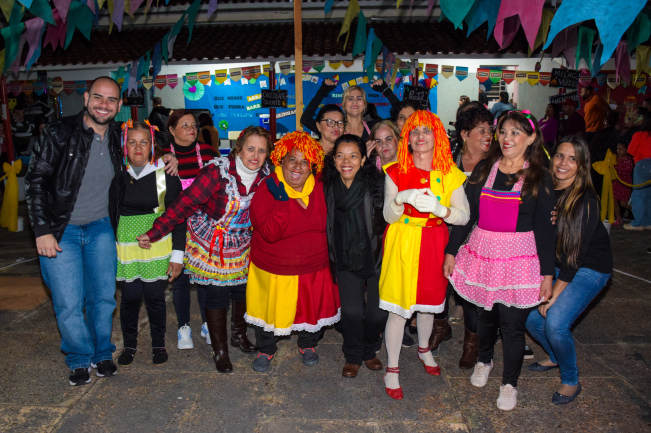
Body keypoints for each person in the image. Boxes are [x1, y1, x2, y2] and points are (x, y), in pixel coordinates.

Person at [24, 77, 176, 386]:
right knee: (68, 302)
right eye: (98, 97)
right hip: (61, 229)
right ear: (86, 99)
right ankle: (79, 358)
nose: (103, 105)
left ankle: (102, 353)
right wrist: (41, 229)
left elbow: (143, 150)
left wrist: (167, 156)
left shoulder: (119, 136)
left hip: (102, 228)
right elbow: (36, 180)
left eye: (111, 100)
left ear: (119, 106)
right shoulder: (58, 132)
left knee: (104, 299)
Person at [138, 126, 274, 373]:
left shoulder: (268, 175)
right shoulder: (217, 172)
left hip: (243, 241)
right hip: (213, 241)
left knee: (243, 292)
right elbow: (184, 204)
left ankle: (239, 335)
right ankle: (219, 350)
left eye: (262, 151)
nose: (256, 155)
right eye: (251, 148)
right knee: (217, 294)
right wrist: (155, 231)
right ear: (239, 148)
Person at [445, 110, 555, 411]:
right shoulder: (485, 169)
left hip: (519, 258)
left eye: (516, 133)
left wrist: (547, 274)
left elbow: (546, 230)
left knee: (511, 324)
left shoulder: (539, 176)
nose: (507, 138)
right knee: (485, 316)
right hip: (484, 253)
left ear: (531, 138)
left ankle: (509, 384)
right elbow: (468, 216)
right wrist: (451, 251)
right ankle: (484, 360)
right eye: (503, 132)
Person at [380, 110, 470, 400]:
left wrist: (441, 210)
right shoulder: (394, 170)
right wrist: (399, 199)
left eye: (426, 130)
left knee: (429, 305)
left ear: (437, 136)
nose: (420, 136)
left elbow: (464, 216)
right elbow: (387, 216)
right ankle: (392, 367)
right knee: (398, 308)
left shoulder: (450, 174)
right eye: (414, 131)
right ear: (407, 137)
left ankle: (424, 349)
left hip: (433, 242)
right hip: (402, 241)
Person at [526, 136, 612, 405]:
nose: (564, 163)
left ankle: (571, 380)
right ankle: (555, 356)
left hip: (588, 267)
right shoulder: (546, 189)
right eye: (560, 156)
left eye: (573, 159)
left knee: (555, 322)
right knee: (530, 317)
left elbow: (575, 257)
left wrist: (553, 293)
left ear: (582, 165)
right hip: (556, 263)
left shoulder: (585, 200)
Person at [246, 131, 340, 373]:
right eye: (292, 160)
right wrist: (281, 202)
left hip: (314, 266)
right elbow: (270, 233)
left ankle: (308, 344)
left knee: (311, 311)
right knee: (269, 312)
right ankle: (266, 348)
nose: (298, 167)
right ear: (282, 161)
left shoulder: (321, 187)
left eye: (305, 161)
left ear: (313, 166)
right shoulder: (268, 189)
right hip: (274, 268)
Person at [429, 102, 493, 370]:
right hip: (445, 231)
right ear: (465, 134)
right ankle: (441, 327)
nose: (488, 135)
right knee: (438, 284)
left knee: (468, 294)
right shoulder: (448, 158)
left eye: (490, 129)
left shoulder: (496, 164)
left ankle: (471, 343)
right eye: (481, 130)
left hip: (479, 237)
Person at [115, 121, 184, 367]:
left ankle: (158, 344)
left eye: (144, 142)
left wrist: (178, 255)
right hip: (126, 247)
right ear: (124, 146)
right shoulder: (117, 174)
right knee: (130, 298)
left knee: (155, 298)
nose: (138, 148)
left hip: (157, 245)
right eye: (132, 142)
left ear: (152, 145)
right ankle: (129, 345)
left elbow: (178, 217)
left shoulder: (166, 175)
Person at [323, 134, 388, 378]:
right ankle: (353, 355)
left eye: (353, 156)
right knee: (351, 312)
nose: (346, 161)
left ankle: (369, 350)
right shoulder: (328, 187)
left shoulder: (378, 184)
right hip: (345, 258)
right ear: (334, 160)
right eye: (340, 155)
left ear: (363, 159)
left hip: (376, 258)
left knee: (377, 313)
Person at [161, 109, 219, 349]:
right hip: (178, 225)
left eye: (193, 125)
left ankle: (207, 323)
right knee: (181, 278)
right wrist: (161, 156)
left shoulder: (208, 153)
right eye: (184, 125)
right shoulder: (162, 157)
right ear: (172, 130)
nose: (191, 129)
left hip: (205, 226)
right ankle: (183, 326)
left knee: (205, 278)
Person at [301, 79, 377, 142]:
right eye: (350, 98)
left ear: (365, 104)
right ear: (343, 105)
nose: (355, 102)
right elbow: (305, 119)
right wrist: (322, 91)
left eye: (359, 98)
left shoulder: (375, 127)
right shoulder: (334, 129)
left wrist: (384, 91)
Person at [624, 115, 651, 230]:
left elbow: (630, 151)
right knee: (649, 195)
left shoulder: (639, 134)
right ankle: (649, 222)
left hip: (642, 165)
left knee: (639, 194)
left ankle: (638, 223)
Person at [613, 141, 634, 226]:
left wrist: (616, 168)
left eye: (621, 149)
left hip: (625, 183)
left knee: (623, 203)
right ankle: (618, 218)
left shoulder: (629, 159)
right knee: (614, 200)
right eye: (618, 149)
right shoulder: (615, 158)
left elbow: (628, 170)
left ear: (626, 150)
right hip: (616, 182)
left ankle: (636, 212)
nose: (618, 151)